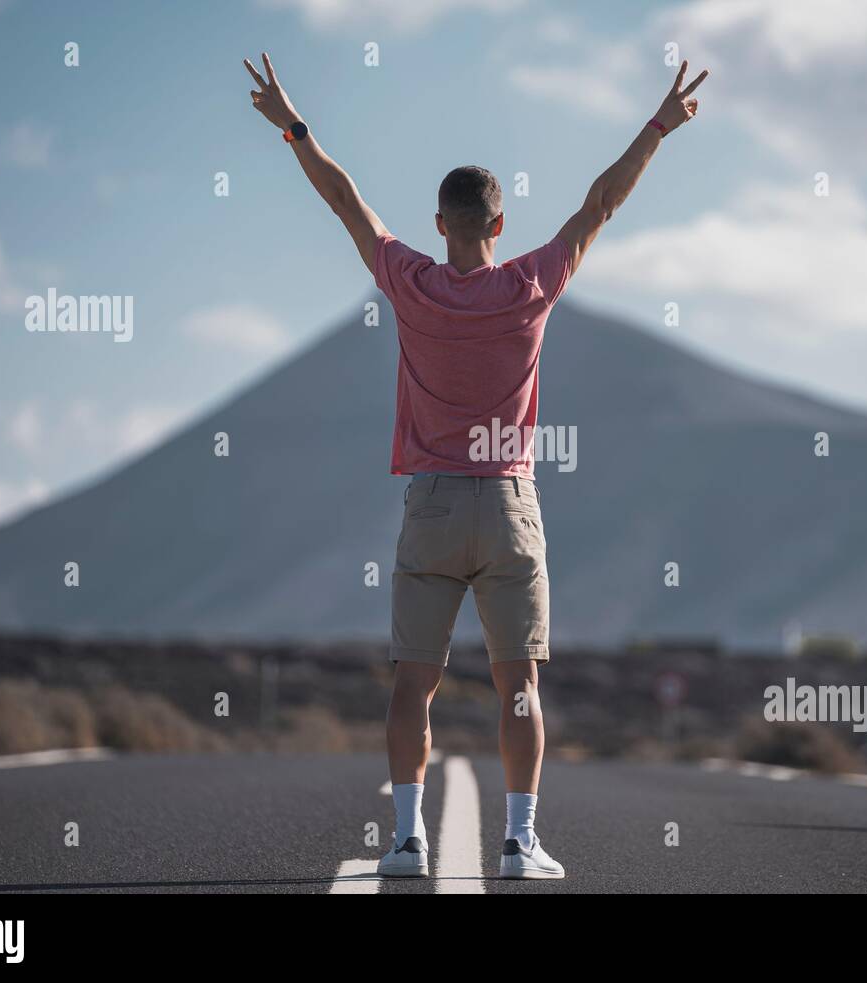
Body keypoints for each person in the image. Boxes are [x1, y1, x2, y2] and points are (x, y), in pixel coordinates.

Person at [244, 51, 707, 880]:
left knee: (412, 683)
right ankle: (519, 843)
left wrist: (294, 125)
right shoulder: (531, 284)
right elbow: (601, 202)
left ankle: (405, 841)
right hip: (508, 506)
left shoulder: (410, 282)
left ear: (439, 223)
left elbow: (345, 200)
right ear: (499, 224)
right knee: (518, 685)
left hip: (431, 504)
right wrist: (658, 127)